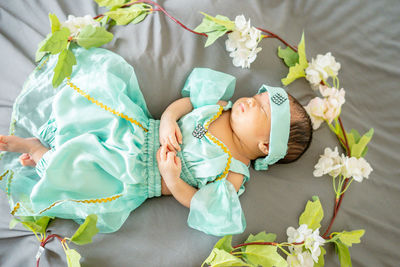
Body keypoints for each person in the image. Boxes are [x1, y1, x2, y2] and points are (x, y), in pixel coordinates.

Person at [0, 46, 312, 236]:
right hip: (139, 131)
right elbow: (182, 105)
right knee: (91, 115)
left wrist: (173, 179)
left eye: (263, 111)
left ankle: (38, 152)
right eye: (259, 96)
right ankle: (51, 139)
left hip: (136, 178)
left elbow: (198, 203)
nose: (253, 101)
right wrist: (167, 120)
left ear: (265, 146)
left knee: (84, 174)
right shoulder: (219, 106)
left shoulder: (234, 174)